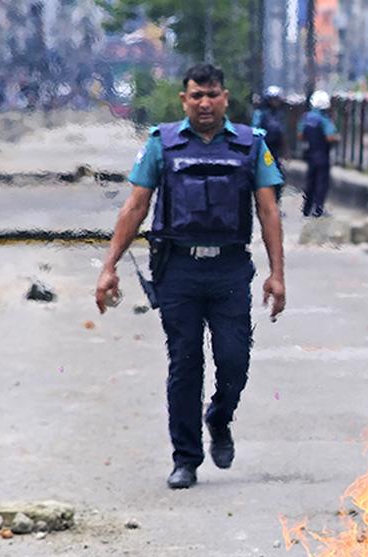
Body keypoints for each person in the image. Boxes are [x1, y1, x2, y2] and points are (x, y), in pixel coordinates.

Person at [93, 64, 287, 489]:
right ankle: (185, 458)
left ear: (226, 98)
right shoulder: (162, 144)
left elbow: (268, 209)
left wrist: (277, 274)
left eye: (212, 94)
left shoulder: (251, 145)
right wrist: (109, 267)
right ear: (184, 100)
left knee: (234, 360)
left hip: (230, 268)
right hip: (177, 268)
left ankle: (219, 416)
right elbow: (136, 206)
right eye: (196, 95)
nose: (204, 103)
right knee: (185, 363)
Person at [298, 90, 339, 217]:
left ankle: (306, 207)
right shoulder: (324, 119)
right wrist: (337, 138)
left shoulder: (306, 117)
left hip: (310, 154)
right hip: (322, 154)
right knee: (321, 182)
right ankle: (318, 209)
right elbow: (329, 137)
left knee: (310, 181)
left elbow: (300, 136)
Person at [251, 85, 288, 201]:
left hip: (275, 151)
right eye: (273, 99)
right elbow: (255, 131)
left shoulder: (279, 115)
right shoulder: (260, 114)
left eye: (277, 99)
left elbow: (282, 133)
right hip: (264, 150)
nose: (275, 102)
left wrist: (285, 151)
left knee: (278, 176)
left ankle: (276, 201)